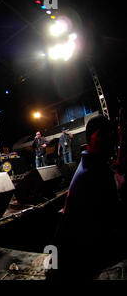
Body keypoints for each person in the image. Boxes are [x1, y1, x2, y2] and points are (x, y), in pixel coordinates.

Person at [52, 115, 127, 279]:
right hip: (79, 257)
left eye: (110, 133)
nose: (108, 138)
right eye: (102, 134)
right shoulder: (93, 172)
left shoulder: (93, 164)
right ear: (88, 139)